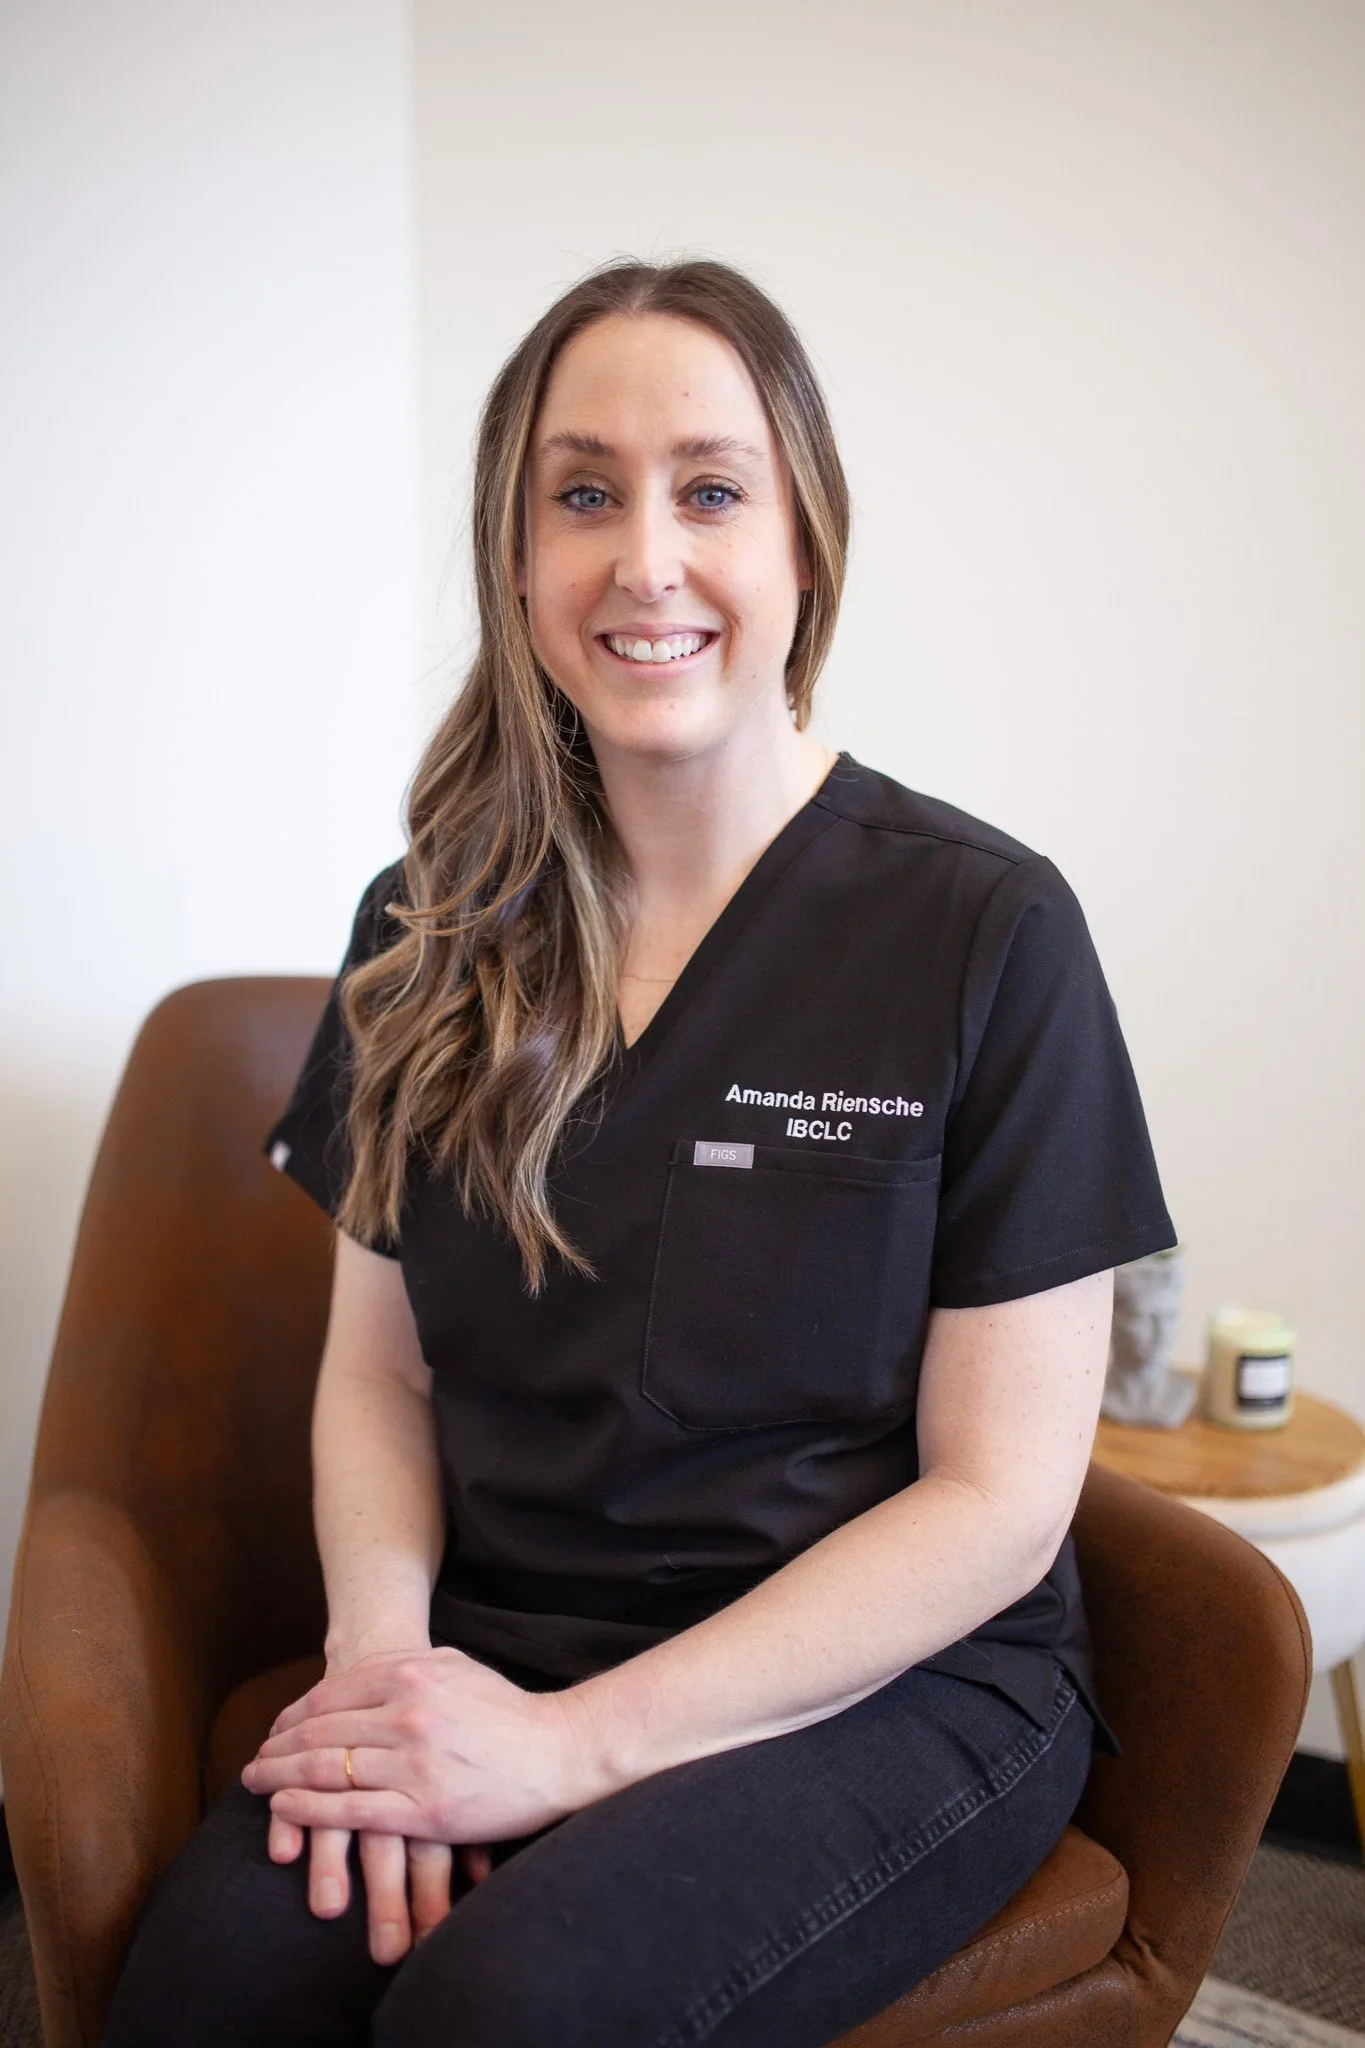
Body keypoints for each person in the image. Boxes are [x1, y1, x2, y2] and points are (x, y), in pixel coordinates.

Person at [105, 257, 1175, 2048]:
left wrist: (568, 1750)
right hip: (504, 1634)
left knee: (509, 2011)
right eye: (583, 493)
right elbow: (377, 1374)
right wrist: (388, 1673)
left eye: (710, 488)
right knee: (205, 1985)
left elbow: (999, 1504)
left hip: (881, 1689)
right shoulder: (425, 923)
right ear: (516, 562)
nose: (645, 558)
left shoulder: (985, 931)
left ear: (803, 544)